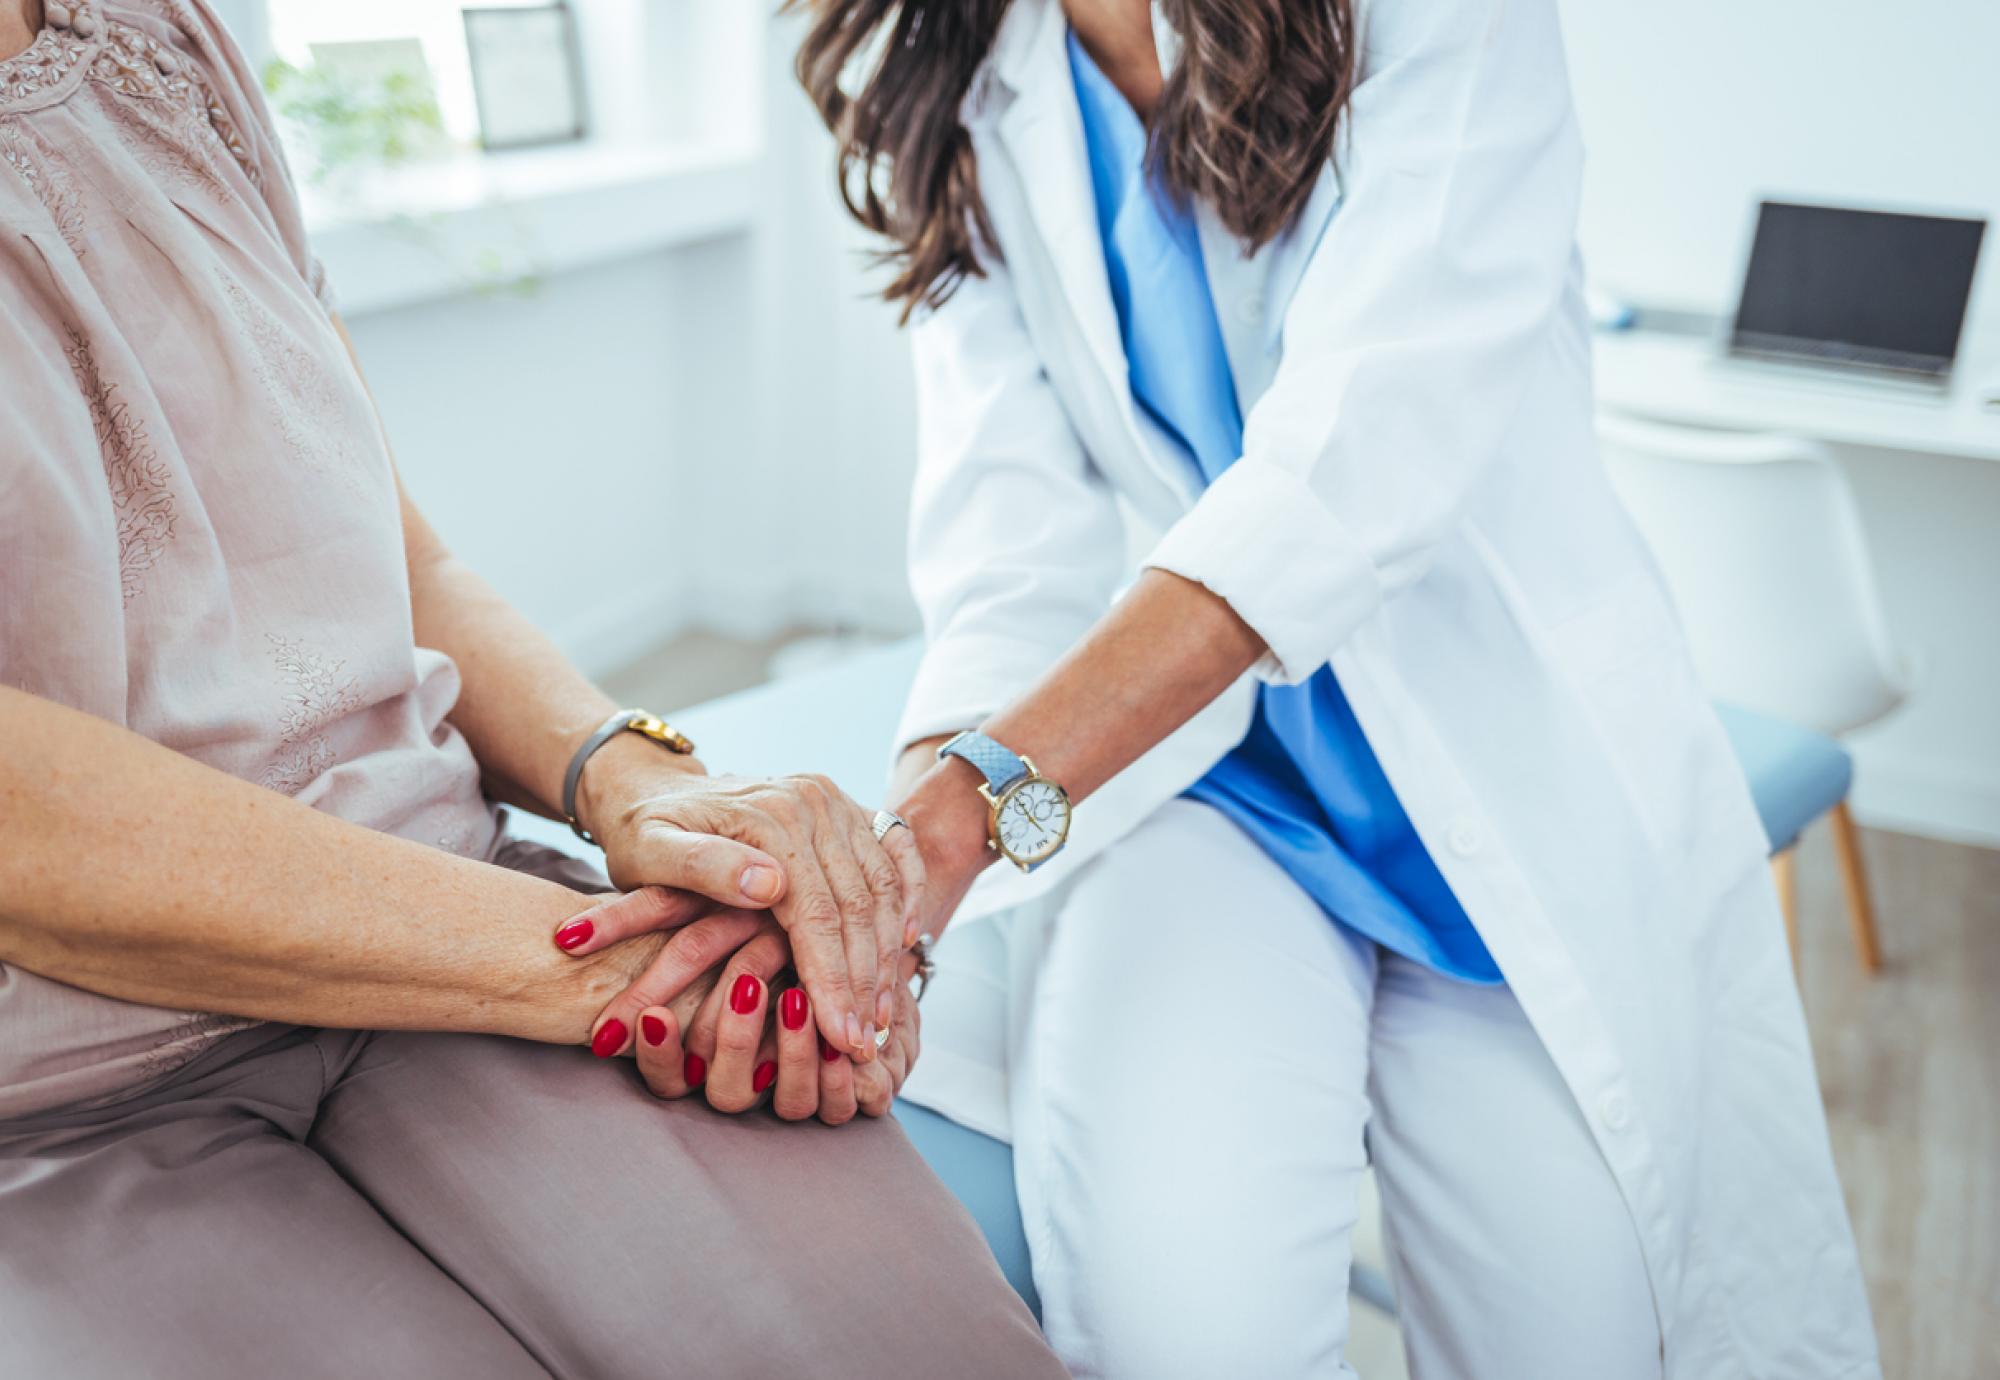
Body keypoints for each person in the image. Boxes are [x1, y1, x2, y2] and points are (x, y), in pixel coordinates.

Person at [772, 0, 1881, 1374]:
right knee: (1190, 1330)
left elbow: (1351, 471)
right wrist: (884, 879)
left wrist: (955, 824)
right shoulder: (947, 66)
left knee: (1576, 1336)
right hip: (1196, 783)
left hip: (1499, 779)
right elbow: (1008, 543)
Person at [0, 2, 1064, 1375]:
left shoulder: (162, 37)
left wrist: (646, 787)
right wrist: (623, 970)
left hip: (454, 918)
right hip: (57, 1092)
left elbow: (398, 558)